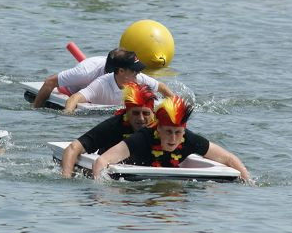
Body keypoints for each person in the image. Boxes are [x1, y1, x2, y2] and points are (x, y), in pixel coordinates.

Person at [92, 95, 250, 182]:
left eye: (178, 132)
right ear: (158, 128)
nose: (173, 138)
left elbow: (228, 158)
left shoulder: (190, 139)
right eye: (168, 131)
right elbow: (102, 161)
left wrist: (248, 181)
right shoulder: (141, 138)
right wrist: (102, 191)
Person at [60, 82, 156, 178]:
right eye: (135, 113)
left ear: (153, 113)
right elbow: (73, 148)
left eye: (146, 113)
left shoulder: (162, 129)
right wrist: (66, 178)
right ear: (126, 112)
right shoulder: (114, 126)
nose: (141, 118)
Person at [63, 50, 173, 113]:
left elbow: (162, 88)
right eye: (134, 71)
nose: (138, 74)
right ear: (121, 71)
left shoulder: (139, 78)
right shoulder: (101, 84)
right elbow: (74, 98)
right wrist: (68, 115)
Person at [32, 49, 120, 108]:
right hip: (71, 92)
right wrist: (35, 110)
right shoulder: (86, 72)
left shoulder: (130, 73)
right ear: (120, 71)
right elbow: (50, 82)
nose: (133, 73)